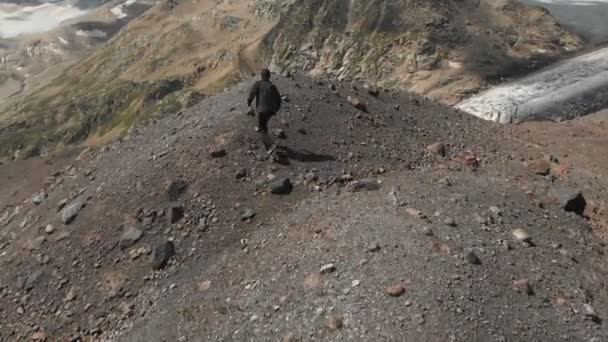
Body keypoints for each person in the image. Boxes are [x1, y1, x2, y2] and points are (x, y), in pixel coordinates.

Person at [247, 69, 282, 149]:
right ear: (269, 76)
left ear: (261, 76)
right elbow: (278, 99)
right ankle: (270, 143)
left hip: (262, 110)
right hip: (271, 111)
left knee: (263, 127)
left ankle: (269, 146)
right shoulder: (272, 86)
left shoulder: (258, 84)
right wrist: (276, 109)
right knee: (265, 126)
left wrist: (249, 102)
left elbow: (252, 94)